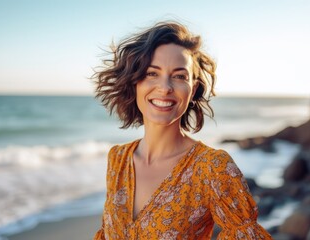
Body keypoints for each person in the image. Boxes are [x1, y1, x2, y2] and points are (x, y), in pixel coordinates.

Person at [92, 21, 271, 240]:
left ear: (193, 88)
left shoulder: (211, 168)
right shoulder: (118, 160)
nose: (165, 87)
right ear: (135, 82)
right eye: (151, 73)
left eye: (179, 76)